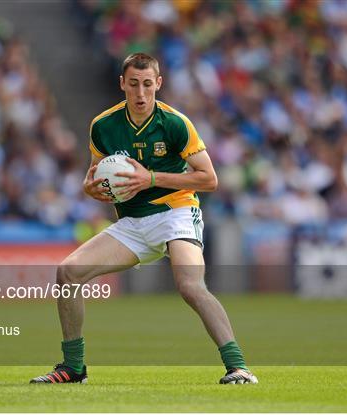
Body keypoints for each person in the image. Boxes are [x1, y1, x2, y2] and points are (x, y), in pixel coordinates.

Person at [30, 53, 258, 385]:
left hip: (175, 212)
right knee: (68, 273)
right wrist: (91, 189)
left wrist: (150, 179)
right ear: (122, 84)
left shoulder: (175, 123)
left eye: (147, 85)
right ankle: (73, 368)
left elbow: (208, 179)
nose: (140, 94)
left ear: (158, 84)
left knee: (190, 285)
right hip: (133, 222)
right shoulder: (103, 126)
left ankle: (238, 367)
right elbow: (97, 177)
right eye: (133, 84)